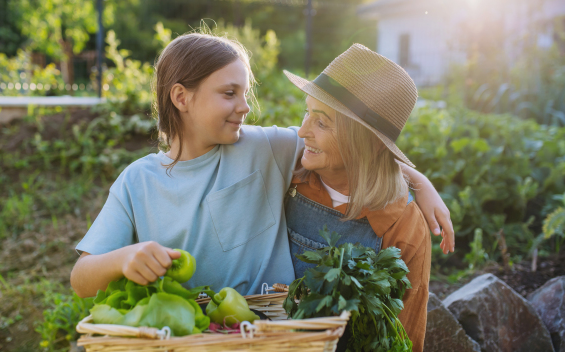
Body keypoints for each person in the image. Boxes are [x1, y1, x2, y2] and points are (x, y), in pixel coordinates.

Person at [70, 31, 453, 303]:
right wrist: (122, 258)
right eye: (228, 93)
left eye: (245, 93)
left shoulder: (265, 146)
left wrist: (419, 182)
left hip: (273, 334)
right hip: (189, 336)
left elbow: (350, 147)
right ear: (181, 97)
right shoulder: (137, 181)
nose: (245, 106)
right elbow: (81, 279)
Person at [283, 44, 433, 352]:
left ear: (369, 144)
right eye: (307, 113)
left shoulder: (403, 225)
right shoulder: (287, 176)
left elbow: (404, 339)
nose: (301, 131)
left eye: (321, 122)